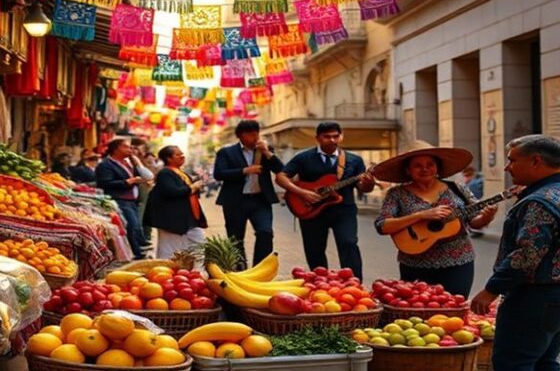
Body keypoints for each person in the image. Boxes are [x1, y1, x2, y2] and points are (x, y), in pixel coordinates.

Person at [471, 135, 560, 371]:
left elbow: (527, 255)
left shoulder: (540, 202)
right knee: (545, 361)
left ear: (536, 161)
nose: (507, 167)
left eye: (512, 160)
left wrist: (491, 289)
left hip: (535, 297)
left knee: (514, 363)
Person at [373, 140, 497, 296]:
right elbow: (382, 226)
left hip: (458, 261)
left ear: (437, 167)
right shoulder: (397, 194)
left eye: (430, 164)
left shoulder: (456, 189)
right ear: (408, 170)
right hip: (414, 263)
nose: (425, 169)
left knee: (454, 310)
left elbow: (475, 222)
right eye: (417, 165)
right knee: (418, 311)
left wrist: (487, 216)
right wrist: (420, 215)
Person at [275, 121, 374, 281]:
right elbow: (281, 177)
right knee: (314, 250)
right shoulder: (303, 158)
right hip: (311, 211)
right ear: (318, 138)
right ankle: (320, 284)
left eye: (336, 136)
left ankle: (355, 284)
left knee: (348, 243)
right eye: (327, 137)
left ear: (341, 137)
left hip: (343, 210)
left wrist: (368, 184)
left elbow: (362, 188)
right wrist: (303, 193)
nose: (332, 140)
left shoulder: (354, 160)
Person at [213, 120, 284, 267]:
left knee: (265, 232)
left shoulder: (265, 150)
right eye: (251, 134)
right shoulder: (226, 152)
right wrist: (244, 171)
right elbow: (219, 174)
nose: (256, 137)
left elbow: (281, 169)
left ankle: (259, 269)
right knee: (235, 239)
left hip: (260, 200)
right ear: (241, 136)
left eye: (257, 133)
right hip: (235, 201)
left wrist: (267, 152)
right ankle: (241, 271)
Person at [143, 145, 207, 259]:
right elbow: (171, 192)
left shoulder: (181, 172)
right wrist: (193, 187)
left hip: (188, 216)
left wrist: (195, 188)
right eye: (178, 154)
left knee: (199, 243)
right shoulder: (165, 173)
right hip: (171, 218)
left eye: (182, 153)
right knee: (169, 250)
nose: (182, 156)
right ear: (168, 158)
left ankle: (196, 271)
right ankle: (164, 273)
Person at [95, 138, 150, 259]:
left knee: (134, 225)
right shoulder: (105, 165)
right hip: (119, 200)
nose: (130, 149)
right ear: (116, 149)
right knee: (131, 225)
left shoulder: (128, 163)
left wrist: (137, 162)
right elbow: (104, 183)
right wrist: (128, 182)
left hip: (132, 200)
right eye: (126, 147)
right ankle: (136, 253)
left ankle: (136, 251)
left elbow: (148, 176)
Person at [131, 137, 156, 250]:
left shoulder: (141, 160)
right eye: (135, 148)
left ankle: (143, 238)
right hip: (134, 193)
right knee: (137, 218)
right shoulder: (131, 161)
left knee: (143, 216)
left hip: (144, 191)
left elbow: (150, 175)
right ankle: (139, 242)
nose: (138, 151)